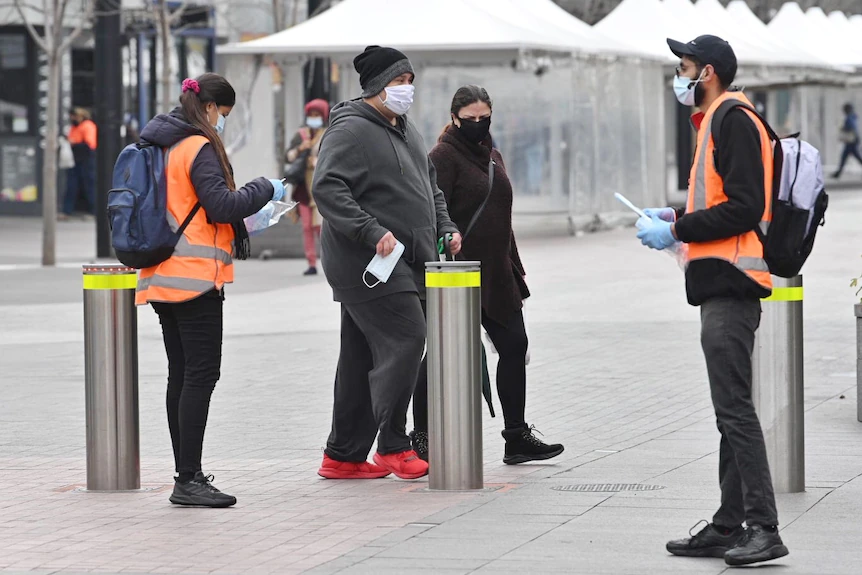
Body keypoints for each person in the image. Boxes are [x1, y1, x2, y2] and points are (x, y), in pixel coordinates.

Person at [636, 36, 789, 566]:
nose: (679, 78)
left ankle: (763, 526)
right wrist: (676, 215)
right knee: (730, 409)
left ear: (709, 74)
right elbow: (723, 200)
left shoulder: (732, 119)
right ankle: (728, 525)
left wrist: (678, 224)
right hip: (720, 281)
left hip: (732, 282)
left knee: (735, 410)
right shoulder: (718, 121)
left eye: (685, 68)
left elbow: (745, 207)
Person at [312, 46, 462, 481]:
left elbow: (430, 187)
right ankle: (393, 444)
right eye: (399, 82)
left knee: (360, 358)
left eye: (410, 81)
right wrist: (370, 231)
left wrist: (446, 226)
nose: (407, 90)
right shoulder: (350, 130)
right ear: (377, 87)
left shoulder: (406, 130)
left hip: (410, 259)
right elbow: (328, 188)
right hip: (367, 261)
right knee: (408, 337)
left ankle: (342, 455)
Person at [136, 73, 286, 507]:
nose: (223, 121)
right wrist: (265, 188)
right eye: (223, 113)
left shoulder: (160, 144)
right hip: (195, 277)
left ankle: (186, 474)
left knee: (180, 375)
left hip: (161, 271)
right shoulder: (196, 146)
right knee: (200, 375)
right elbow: (221, 204)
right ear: (209, 107)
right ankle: (189, 479)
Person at [410, 85, 564, 465]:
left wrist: (513, 266)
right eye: (470, 120)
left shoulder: (493, 155)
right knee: (441, 355)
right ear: (454, 119)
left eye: (485, 118)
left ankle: (516, 436)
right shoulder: (442, 156)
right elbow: (431, 209)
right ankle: (423, 437)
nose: (478, 126)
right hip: (457, 273)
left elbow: (501, 215)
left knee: (514, 346)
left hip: (497, 271)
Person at [285, 98, 330, 275]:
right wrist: (299, 150)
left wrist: (318, 161)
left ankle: (328, 260)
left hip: (321, 187)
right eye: (311, 115)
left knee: (320, 228)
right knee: (306, 227)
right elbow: (288, 157)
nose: (314, 118)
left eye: (317, 115)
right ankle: (311, 262)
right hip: (303, 188)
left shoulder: (328, 133)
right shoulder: (301, 135)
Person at [61, 107, 97, 220]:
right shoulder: (74, 127)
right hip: (74, 158)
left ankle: (94, 211)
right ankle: (67, 211)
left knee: (89, 184)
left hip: (86, 157)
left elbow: (89, 144)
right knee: (71, 185)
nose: (72, 118)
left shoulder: (88, 125)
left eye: (74, 116)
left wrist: (74, 143)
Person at [832, 102, 861, 179]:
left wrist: (844, 128)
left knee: (853, 157)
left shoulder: (849, 118)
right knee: (845, 157)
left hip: (851, 141)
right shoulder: (852, 117)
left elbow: (851, 127)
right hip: (852, 141)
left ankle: (838, 173)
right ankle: (838, 173)